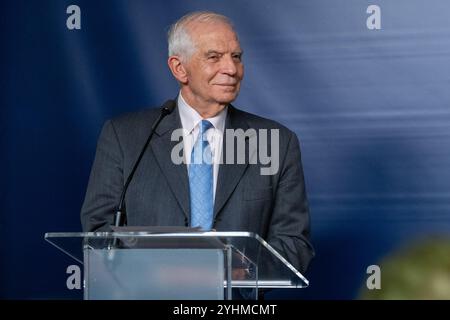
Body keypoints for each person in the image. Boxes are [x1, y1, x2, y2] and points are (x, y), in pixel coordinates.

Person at [80, 11, 314, 274]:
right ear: (179, 68)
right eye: (214, 57)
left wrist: (243, 271)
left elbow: (294, 244)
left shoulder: (278, 143)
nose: (231, 69)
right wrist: (163, 274)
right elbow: (97, 232)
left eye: (236, 56)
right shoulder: (124, 137)